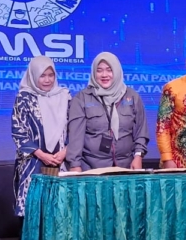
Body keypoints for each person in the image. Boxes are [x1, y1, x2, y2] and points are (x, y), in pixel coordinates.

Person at [12, 56, 70, 222]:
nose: (47, 80)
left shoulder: (65, 96)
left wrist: (65, 151)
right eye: (42, 75)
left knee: (59, 212)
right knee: (33, 212)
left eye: (51, 75)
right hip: (33, 162)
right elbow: (18, 131)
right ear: (33, 76)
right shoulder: (24, 97)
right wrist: (41, 154)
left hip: (61, 161)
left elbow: (75, 128)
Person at [67, 52, 149, 172]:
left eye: (109, 70)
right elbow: (75, 137)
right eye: (99, 70)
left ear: (116, 71)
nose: (104, 75)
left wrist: (138, 156)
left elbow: (141, 131)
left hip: (126, 166)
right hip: (91, 168)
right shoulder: (82, 98)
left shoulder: (132, 96)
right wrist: (74, 165)